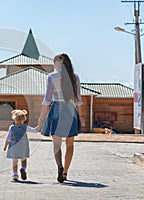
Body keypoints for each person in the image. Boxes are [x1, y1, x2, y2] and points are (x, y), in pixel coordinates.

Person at [38, 53, 85, 183]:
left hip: (56, 109)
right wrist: (81, 116)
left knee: (56, 144)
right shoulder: (75, 77)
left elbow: (47, 100)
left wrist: (41, 118)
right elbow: (78, 100)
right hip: (70, 110)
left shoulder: (52, 77)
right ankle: (65, 173)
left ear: (57, 63)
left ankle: (59, 166)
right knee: (70, 144)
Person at [3, 109, 39, 181]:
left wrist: (5, 146)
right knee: (24, 160)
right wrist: (40, 125)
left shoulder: (12, 128)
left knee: (15, 162)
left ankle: (15, 175)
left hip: (14, 147)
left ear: (14, 118)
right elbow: (34, 130)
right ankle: (23, 169)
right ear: (23, 119)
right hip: (23, 147)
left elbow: (8, 138)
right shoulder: (25, 127)